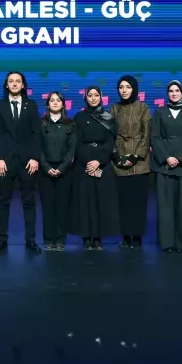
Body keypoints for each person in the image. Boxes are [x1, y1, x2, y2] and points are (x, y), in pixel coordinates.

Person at [0, 71, 42, 253]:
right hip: (6, 161)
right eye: (11, 81)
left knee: (29, 202)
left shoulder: (31, 105)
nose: (14, 84)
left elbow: (36, 133)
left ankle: (31, 241)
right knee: (3, 201)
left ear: (23, 85)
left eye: (17, 81)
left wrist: (35, 157)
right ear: (6, 85)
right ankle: (2, 241)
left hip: (27, 161)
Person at [151, 80, 182, 253]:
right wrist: (166, 157)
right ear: (167, 94)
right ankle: (166, 243)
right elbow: (155, 137)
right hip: (164, 166)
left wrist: (179, 157)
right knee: (165, 207)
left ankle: (181, 244)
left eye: (177, 90)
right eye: (171, 91)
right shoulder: (159, 112)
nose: (174, 93)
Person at [68, 86, 119, 250]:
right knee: (85, 202)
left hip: (102, 164)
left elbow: (110, 142)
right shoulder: (79, 117)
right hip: (83, 165)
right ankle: (86, 237)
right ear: (85, 98)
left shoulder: (108, 117)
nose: (93, 98)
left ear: (101, 97)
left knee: (100, 202)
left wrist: (99, 160)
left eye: (96, 95)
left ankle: (97, 237)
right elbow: (76, 142)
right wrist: (88, 161)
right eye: (90, 95)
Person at [110, 75, 150, 248]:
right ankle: (126, 236)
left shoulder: (143, 108)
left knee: (138, 203)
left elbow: (147, 135)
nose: (124, 90)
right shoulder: (114, 108)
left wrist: (134, 156)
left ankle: (138, 237)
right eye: (121, 87)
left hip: (140, 163)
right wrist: (117, 156)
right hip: (119, 161)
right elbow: (109, 134)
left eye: (127, 87)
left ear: (134, 88)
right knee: (123, 203)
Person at [38, 92, 75, 251]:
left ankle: (60, 239)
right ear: (47, 104)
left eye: (58, 100)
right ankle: (48, 239)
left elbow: (72, 149)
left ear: (63, 104)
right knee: (48, 207)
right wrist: (46, 167)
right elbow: (37, 147)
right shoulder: (41, 124)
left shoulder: (70, 124)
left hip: (64, 171)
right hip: (44, 171)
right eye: (52, 100)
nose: (55, 102)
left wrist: (61, 168)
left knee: (62, 206)